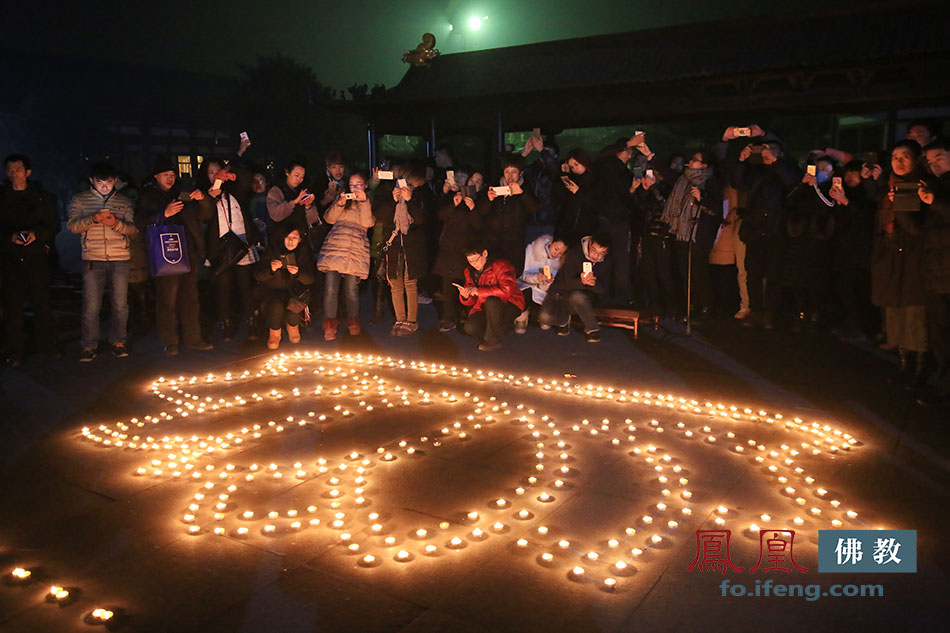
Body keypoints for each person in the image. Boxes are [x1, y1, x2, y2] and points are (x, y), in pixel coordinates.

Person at [134, 156, 214, 355]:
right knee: (167, 299)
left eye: (172, 174)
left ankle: (193, 338)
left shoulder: (182, 194)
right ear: (156, 176)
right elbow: (139, 222)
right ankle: (170, 341)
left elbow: (205, 215)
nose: (170, 178)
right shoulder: (148, 196)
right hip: (164, 254)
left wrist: (203, 200)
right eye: (165, 175)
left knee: (190, 298)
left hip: (188, 251)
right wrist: (163, 214)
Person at [67, 162, 137, 361]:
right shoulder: (81, 200)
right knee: (91, 306)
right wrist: (92, 219)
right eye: (100, 182)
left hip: (119, 257)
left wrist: (115, 224)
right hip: (93, 257)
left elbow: (133, 229)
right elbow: (72, 226)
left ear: (114, 181)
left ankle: (118, 342)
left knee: (120, 305)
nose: (104, 186)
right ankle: (89, 345)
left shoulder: (124, 201)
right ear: (92, 181)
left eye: (108, 182)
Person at [871, 140, 928, 385]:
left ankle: (919, 370)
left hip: (914, 259)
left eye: (905, 157)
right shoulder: (887, 186)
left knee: (915, 315)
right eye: (895, 157)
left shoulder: (923, 186)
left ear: (916, 160)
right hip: (891, 257)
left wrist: (902, 203)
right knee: (895, 312)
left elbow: (915, 228)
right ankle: (904, 365)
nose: (899, 162)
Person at [732, 139, 801, 328]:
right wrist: (741, 161)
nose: (765, 154)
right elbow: (738, 183)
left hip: (776, 230)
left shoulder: (786, 169)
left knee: (773, 274)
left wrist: (776, 162)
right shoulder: (755, 171)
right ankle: (755, 311)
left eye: (771, 151)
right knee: (753, 273)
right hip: (755, 229)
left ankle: (771, 313)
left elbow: (792, 181)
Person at [0, 153, 59, 365]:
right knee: (13, 307)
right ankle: (16, 350)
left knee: (42, 304)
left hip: (37, 258)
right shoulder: (2, 197)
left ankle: (47, 345)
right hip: (10, 259)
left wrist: (36, 234)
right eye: (9, 169)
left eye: (17, 169)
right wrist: (9, 237)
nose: (13, 173)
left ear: (27, 172)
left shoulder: (42, 197)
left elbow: (54, 225)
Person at [907, 141, 950, 406]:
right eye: (930, 161)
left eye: (940, 158)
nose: (935, 165)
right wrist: (904, 206)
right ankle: (940, 383)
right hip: (937, 273)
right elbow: (922, 232)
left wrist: (935, 201)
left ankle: (943, 387)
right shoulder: (936, 186)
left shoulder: (940, 191)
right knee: (940, 334)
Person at [203, 158, 263, 342]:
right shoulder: (205, 195)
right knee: (224, 288)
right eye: (211, 172)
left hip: (241, 244)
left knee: (245, 286)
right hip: (220, 248)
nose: (215, 175)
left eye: (218, 171)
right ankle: (226, 324)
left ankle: (252, 321)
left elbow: (246, 177)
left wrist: (230, 173)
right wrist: (210, 197)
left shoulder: (235, 191)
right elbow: (203, 216)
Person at [658, 150, 723, 318]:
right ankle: (691, 304)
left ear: (704, 165)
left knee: (698, 271)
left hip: (698, 234)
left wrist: (701, 199)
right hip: (681, 232)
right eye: (692, 159)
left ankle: (706, 305)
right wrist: (650, 156)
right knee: (684, 271)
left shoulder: (710, 181)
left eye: (695, 160)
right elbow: (666, 174)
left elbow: (716, 208)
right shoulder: (684, 179)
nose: (691, 162)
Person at [781, 156, 838, 331]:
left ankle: (815, 315)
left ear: (832, 173)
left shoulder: (832, 188)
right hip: (799, 237)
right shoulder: (803, 187)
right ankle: (801, 313)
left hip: (819, 240)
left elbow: (829, 206)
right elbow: (787, 202)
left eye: (825, 169)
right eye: (818, 168)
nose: (820, 172)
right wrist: (802, 185)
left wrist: (815, 188)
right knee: (797, 279)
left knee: (815, 280)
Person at [376, 161, 433, 336]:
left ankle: (411, 320)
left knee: (410, 283)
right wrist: (393, 201)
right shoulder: (387, 190)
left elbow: (423, 218)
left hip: (413, 245)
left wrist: (410, 201)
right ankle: (400, 319)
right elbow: (379, 214)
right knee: (395, 284)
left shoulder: (422, 193)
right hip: (394, 244)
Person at [317, 171, 375, 340]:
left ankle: (353, 322)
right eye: (352, 185)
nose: (355, 188)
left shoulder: (368, 200)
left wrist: (364, 202)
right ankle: (330, 325)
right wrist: (339, 204)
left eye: (358, 184)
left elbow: (367, 223)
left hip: (355, 249)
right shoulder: (342, 198)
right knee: (330, 289)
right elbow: (329, 218)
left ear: (365, 185)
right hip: (335, 247)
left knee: (351, 290)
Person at [539, 231, 613, 342]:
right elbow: (567, 282)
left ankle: (592, 329)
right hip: (561, 292)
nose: (596, 256)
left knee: (578, 297)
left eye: (601, 253)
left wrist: (593, 284)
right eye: (593, 250)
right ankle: (563, 320)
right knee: (545, 317)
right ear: (589, 244)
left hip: (582, 298)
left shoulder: (606, 262)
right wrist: (582, 281)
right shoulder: (574, 254)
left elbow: (603, 288)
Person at [434, 170, 484, 331]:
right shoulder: (456, 197)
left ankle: (468, 317)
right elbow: (440, 216)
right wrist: (454, 204)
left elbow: (481, 226)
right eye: (471, 180)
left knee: (468, 285)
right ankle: (448, 318)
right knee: (448, 286)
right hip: (449, 249)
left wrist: (473, 209)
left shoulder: (482, 201)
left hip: (468, 251)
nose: (473, 183)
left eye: (477, 181)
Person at [254, 225, 315, 349]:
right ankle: (274, 333)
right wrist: (270, 269)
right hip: (272, 292)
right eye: (287, 237)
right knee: (276, 306)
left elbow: (310, 279)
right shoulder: (272, 252)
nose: (290, 241)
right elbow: (258, 275)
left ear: (300, 240)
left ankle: (293, 327)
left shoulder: (303, 254)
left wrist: (298, 274)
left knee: (294, 308)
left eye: (294, 237)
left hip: (295, 292)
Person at [458, 239, 525, 351]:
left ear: (484, 253)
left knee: (491, 301)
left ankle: (493, 340)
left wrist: (479, 291)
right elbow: (471, 300)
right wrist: (466, 296)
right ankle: (502, 329)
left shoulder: (501, 265)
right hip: (483, 306)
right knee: (470, 328)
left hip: (509, 303)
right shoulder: (469, 271)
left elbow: (506, 291)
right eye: (470, 261)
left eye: (476, 260)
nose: (474, 264)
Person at [478, 154, 537, 276]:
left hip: (514, 243)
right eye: (506, 172)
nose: (510, 176)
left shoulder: (527, 188)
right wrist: (489, 200)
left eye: (514, 172)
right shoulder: (494, 186)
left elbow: (534, 209)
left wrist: (521, 194)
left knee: (511, 275)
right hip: (493, 242)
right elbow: (481, 212)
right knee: (491, 275)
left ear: (521, 173)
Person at [516, 233, 567, 333]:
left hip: (541, 291)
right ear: (551, 242)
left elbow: (548, 286)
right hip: (524, 284)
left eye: (561, 253)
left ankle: (540, 317)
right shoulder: (531, 250)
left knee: (544, 309)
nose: (556, 254)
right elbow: (520, 274)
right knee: (525, 294)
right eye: (556, 249)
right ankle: (522, 317)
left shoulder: (558, 261)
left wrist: (547, 282)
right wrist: (537, 277)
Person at [266, 159, 321, 243]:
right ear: (287, 173)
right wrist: (294, 202)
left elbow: (313, 220)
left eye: (302, 177)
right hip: (281, 238)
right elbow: (276, 215)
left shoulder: (304, 191)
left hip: (300, 238)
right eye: (297, 175)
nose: (299, 179)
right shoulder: (276, 191)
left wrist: (308, 207)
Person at [553, 149, 598, 245]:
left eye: (576, 164)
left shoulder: (596, 179)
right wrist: (564, 174)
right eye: (572, 167)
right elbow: (559, 197)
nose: (575, 169)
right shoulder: (572, 179)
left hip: (587, 228)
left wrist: (578, 192)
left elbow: (596, 204)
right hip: (568, 227)